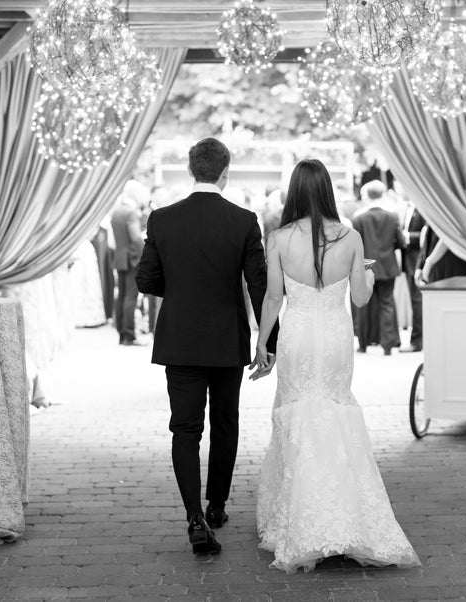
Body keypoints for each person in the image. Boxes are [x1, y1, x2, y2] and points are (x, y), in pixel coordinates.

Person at [253, 159, 421, 574]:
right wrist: (360, 271)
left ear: (294, 192)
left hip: (296, 337)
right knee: (335, 411)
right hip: (333, 339)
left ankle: (302, 521)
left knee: (297, 415)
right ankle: (348, 515)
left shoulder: (277, 238)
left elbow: (273, 299)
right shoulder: (349, 236)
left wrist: (261, 344)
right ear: (327, 190)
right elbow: (362, 299)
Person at [136, 138, 279, 556]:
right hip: (225, 339)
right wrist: (268, 342)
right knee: (225, 422)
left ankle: (194, 516)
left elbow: (146, 281)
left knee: (184, 428)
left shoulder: (161, 219)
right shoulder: (242, 220)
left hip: (179, 337)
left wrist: (178, 290)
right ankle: (216, 505)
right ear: (225, 173)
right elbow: (259, 285)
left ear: (191, 169)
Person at [351, 180, 407, 355]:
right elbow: (401, 242)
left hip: (365, 267)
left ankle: (363, 343)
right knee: (387, 304)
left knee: (363, 305)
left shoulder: (358, 217)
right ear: (383, 194)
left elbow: (355, 244)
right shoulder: (392, 216)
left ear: (367, 195)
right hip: (387, 266)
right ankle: (388, 345)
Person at [111, 180, 148, 346]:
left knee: (122, 296)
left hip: (120, 258)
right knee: (130, 297)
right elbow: (136, 239)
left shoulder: (117, 211)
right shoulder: (131, 213)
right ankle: (129, 335)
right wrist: (143, 255)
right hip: (132, 260)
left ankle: (121, 333)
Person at [400, 200, 426, 352]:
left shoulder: (423, 208)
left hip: (417, 260)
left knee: (417, 302)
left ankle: (417, 342)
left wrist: (407, 236)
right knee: (415, 302)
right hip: (409, 259)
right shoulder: (408, 208)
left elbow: (427, 233)